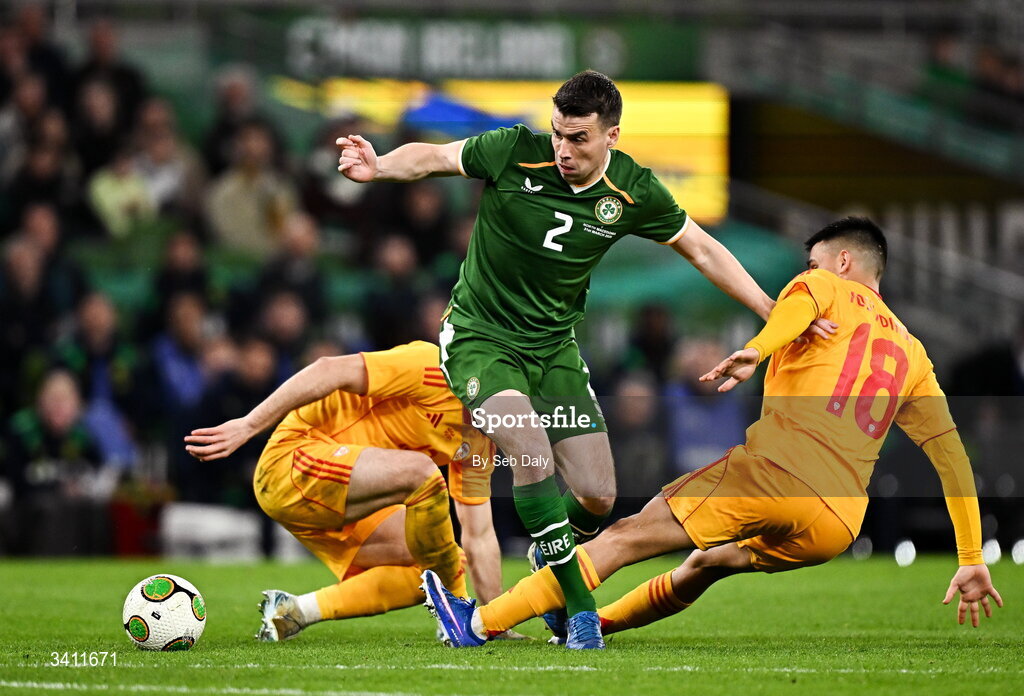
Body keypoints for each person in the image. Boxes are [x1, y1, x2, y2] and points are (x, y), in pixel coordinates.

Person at [337, 70, 825, 649]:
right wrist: (383, 164)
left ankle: (547, 580)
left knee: (597, 494)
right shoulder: (514, 150)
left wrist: (773, 309)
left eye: (579, 139)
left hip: (554, 352)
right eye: (559, 135)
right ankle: (580, 609)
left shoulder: (634, 190)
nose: (564, 150)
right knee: (530, 450)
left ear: (611, 136)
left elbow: (702, 248)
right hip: (481, 342)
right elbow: (434, 156)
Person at [419, 217, 1002, 648]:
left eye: (815, 263)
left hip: (777, 474)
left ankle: (478, 624)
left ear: (843, 263)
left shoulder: (821, 288)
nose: (807, 273)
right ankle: (595, 625)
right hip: (838, 520)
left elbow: (793, 314)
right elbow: (951, 458)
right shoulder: (913, 351)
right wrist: (971, 556)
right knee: (707, 564)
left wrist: (754, 349)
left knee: (626, 535)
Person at [184, 341, 503, 642]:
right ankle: (456, 612)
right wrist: (249, 425)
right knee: (422, 474)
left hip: (347, 500)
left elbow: (480, 534)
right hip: (293, 462)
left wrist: (494, 622)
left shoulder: (479, 441)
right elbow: (328, 369)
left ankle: (294, 610)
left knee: (447, 560)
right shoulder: (433, 367)